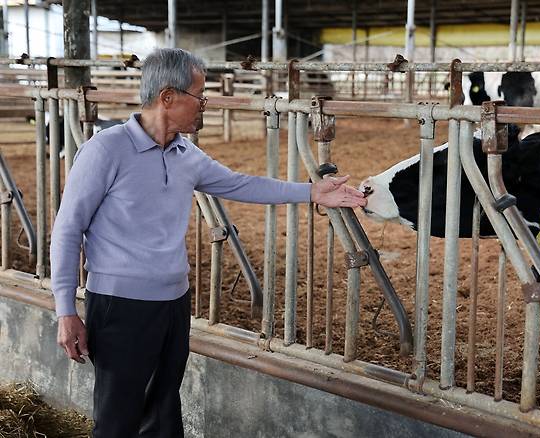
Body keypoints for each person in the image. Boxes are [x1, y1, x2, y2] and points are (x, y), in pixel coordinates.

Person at [50, 48, 366, 438]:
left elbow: (241, 184)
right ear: (168, 97)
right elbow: (67, 228)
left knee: (165, 412)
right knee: (118, 420)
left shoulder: (186, 154)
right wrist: (65, 311)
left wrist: (313, 191)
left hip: (174, 304)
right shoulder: (105, 150)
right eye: (200, 96)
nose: (206, 106)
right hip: (120, 307)